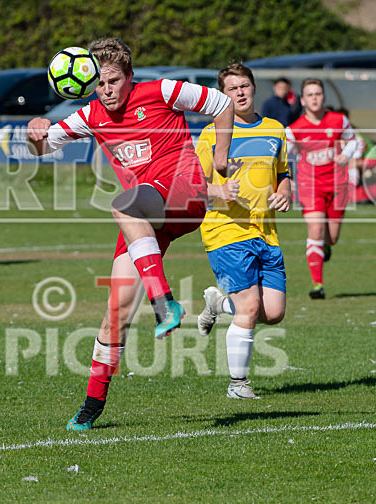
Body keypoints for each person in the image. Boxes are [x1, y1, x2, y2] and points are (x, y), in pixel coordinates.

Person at [27, 38, 234, 430]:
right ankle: (92, 405)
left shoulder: (161, 91)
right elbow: (41, 148)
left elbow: (222, 104)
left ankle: (164, 304)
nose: (106, 90)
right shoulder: (90, 114)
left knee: (121, 204)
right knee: (115, 312)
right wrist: (33, 133)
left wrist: (220, 159)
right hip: (143, 216)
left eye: (113, 81)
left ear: (129, 77)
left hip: (181, 191)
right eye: (100, 83)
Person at [195, 63, 291, 400]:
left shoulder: (275, 130)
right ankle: (238, 385)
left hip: (266, 232)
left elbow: (283, 172)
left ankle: (219, 303)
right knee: (249, 306)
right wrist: (217, 192)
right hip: (226, 230)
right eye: (232, 88)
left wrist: (286, 191)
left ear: (253, 88)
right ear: (223, 95)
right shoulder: (211, 135)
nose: (240, 92)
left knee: (274, 313)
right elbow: (192, 185)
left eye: (245, 85)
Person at [285, 79, 357, 299]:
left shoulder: (338, 120)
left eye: (318, 93)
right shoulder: (294, 129)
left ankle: (325, 247)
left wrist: (346, 154)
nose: (314, 98)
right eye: (310, 94)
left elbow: (354, 141)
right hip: (310, 187)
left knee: (331, 237)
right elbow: (282, 156)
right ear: (303, 99)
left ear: (324, 97)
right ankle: (317, 284)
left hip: (337, 186)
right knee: (315, 230)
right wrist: (287, 178)